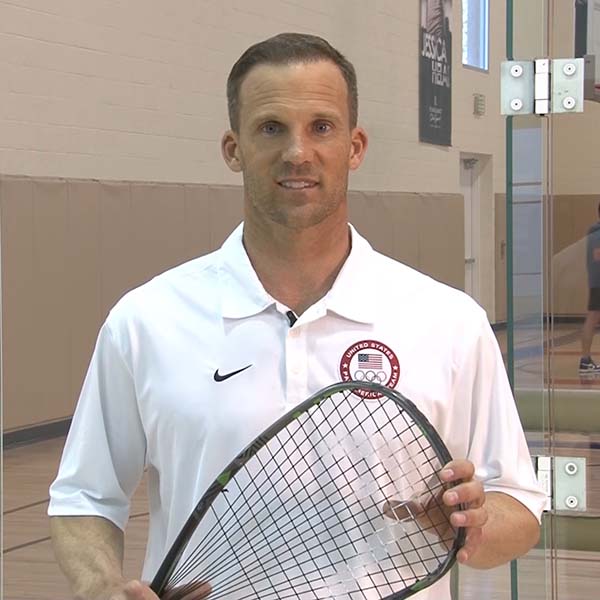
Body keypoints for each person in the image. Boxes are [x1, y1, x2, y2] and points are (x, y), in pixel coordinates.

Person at [49, 33, 546, 600]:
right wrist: (101, 587)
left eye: (322, 127)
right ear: (233, 149)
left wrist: (476, 523)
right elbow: (84, 497)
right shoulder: (145, 321)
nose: (297, 152)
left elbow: (519, 508)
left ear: (355, 146)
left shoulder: (449, 321)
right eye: (271, 128)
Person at [580, 201, 600, 373]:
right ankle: (585, 360)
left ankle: (586, 360)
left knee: (593, 317)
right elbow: (597, 255)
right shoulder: (596, 232)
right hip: (598, 283)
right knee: (593, 317)